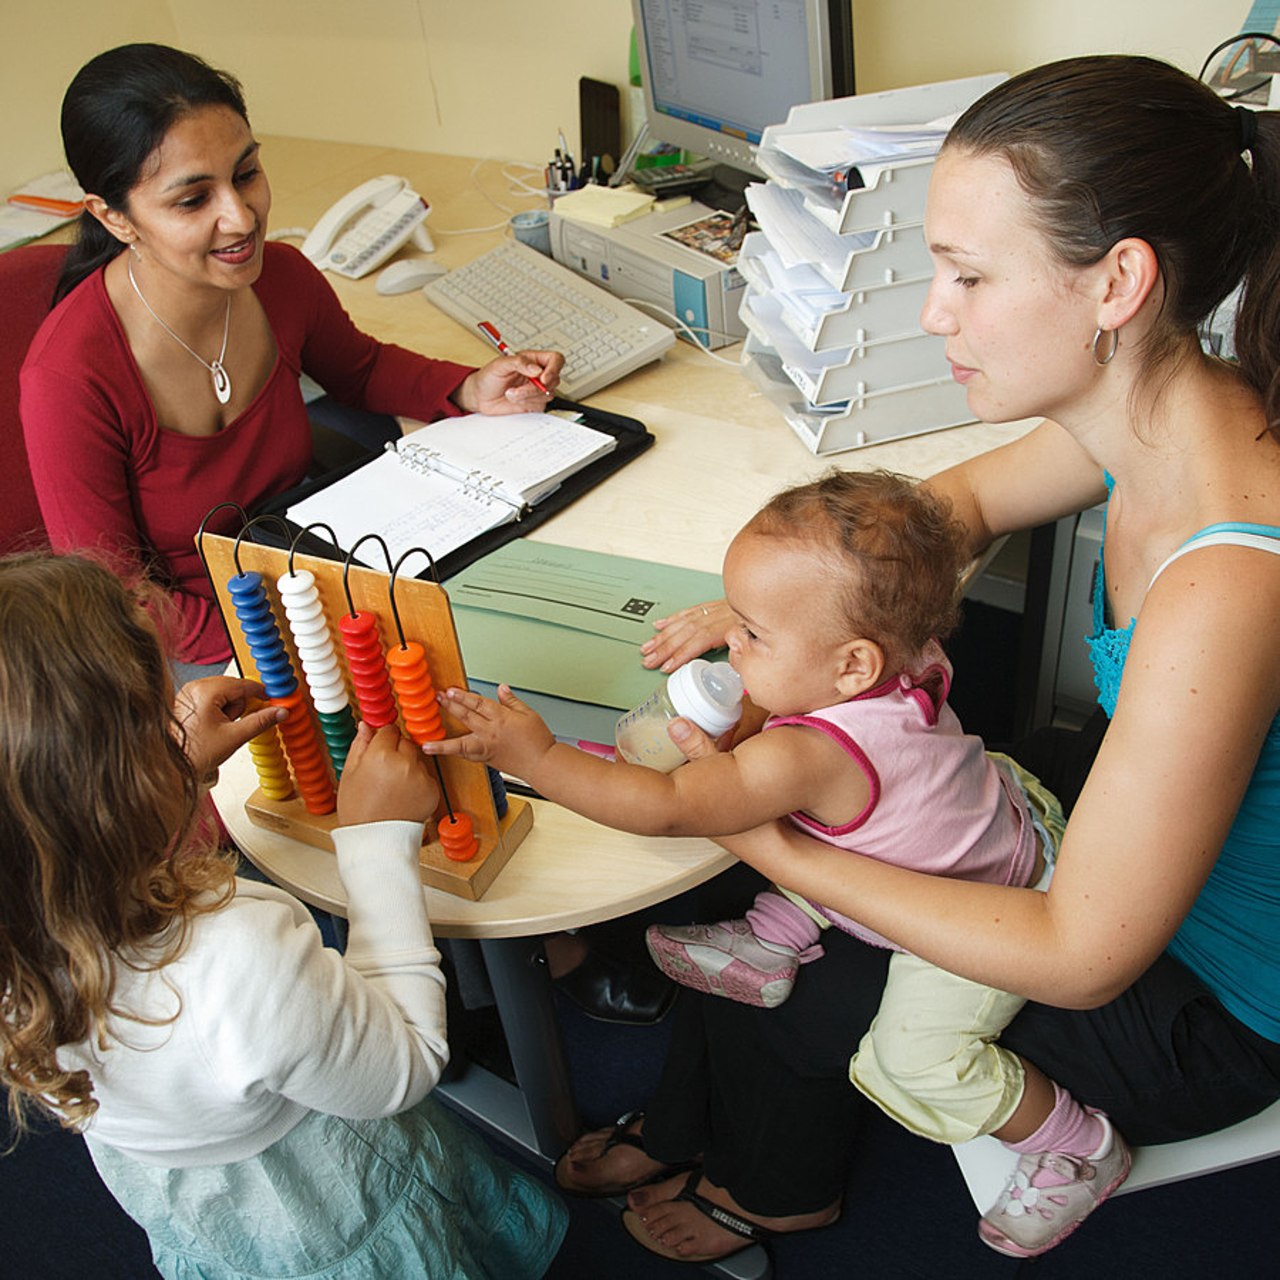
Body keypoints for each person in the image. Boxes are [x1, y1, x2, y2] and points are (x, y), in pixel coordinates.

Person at [550, 53, 1280, 1267]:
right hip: (1119, 844)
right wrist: (764, 613)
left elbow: (1079, 954)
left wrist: (782, 846)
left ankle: (775, 1185)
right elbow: (938, 513)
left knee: (793, 923)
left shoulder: (1224, 575)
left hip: (1197, 1002)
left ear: (1117, 282)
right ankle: (693, 1117)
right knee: (791, 840)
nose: (933, 311)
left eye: (967, 275)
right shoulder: (1162, 414)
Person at [424, 468, 1113, 1248]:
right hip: (999, 814)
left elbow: (667, 808)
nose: (729, 647)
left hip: (980, 912)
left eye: (751, 635)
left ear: (849, 665)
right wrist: (760, 675)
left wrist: (539, 755)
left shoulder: (805, 758)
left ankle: (1075, 1146)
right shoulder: (913, 653)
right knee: (826, 843)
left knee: (912, 1059)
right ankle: (778, 932)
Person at [0, 551, 567, 1278]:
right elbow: (406, 1062)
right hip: (336, 1208)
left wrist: (178, 764)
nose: (174, 719)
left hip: (208, 1212)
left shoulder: (29, 934)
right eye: (154, 720)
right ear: (118, 785)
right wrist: (374, 841)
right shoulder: (237, 956)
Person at [19, 44, 562, 684]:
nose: (242, 217)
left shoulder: (281, 277)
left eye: (245, 173)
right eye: (194, 200)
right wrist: (296, 627)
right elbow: (120, 597)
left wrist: (469, 387)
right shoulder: (68, 380)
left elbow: (358, 369)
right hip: (199, 639)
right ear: (114, 218)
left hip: (312, 564)